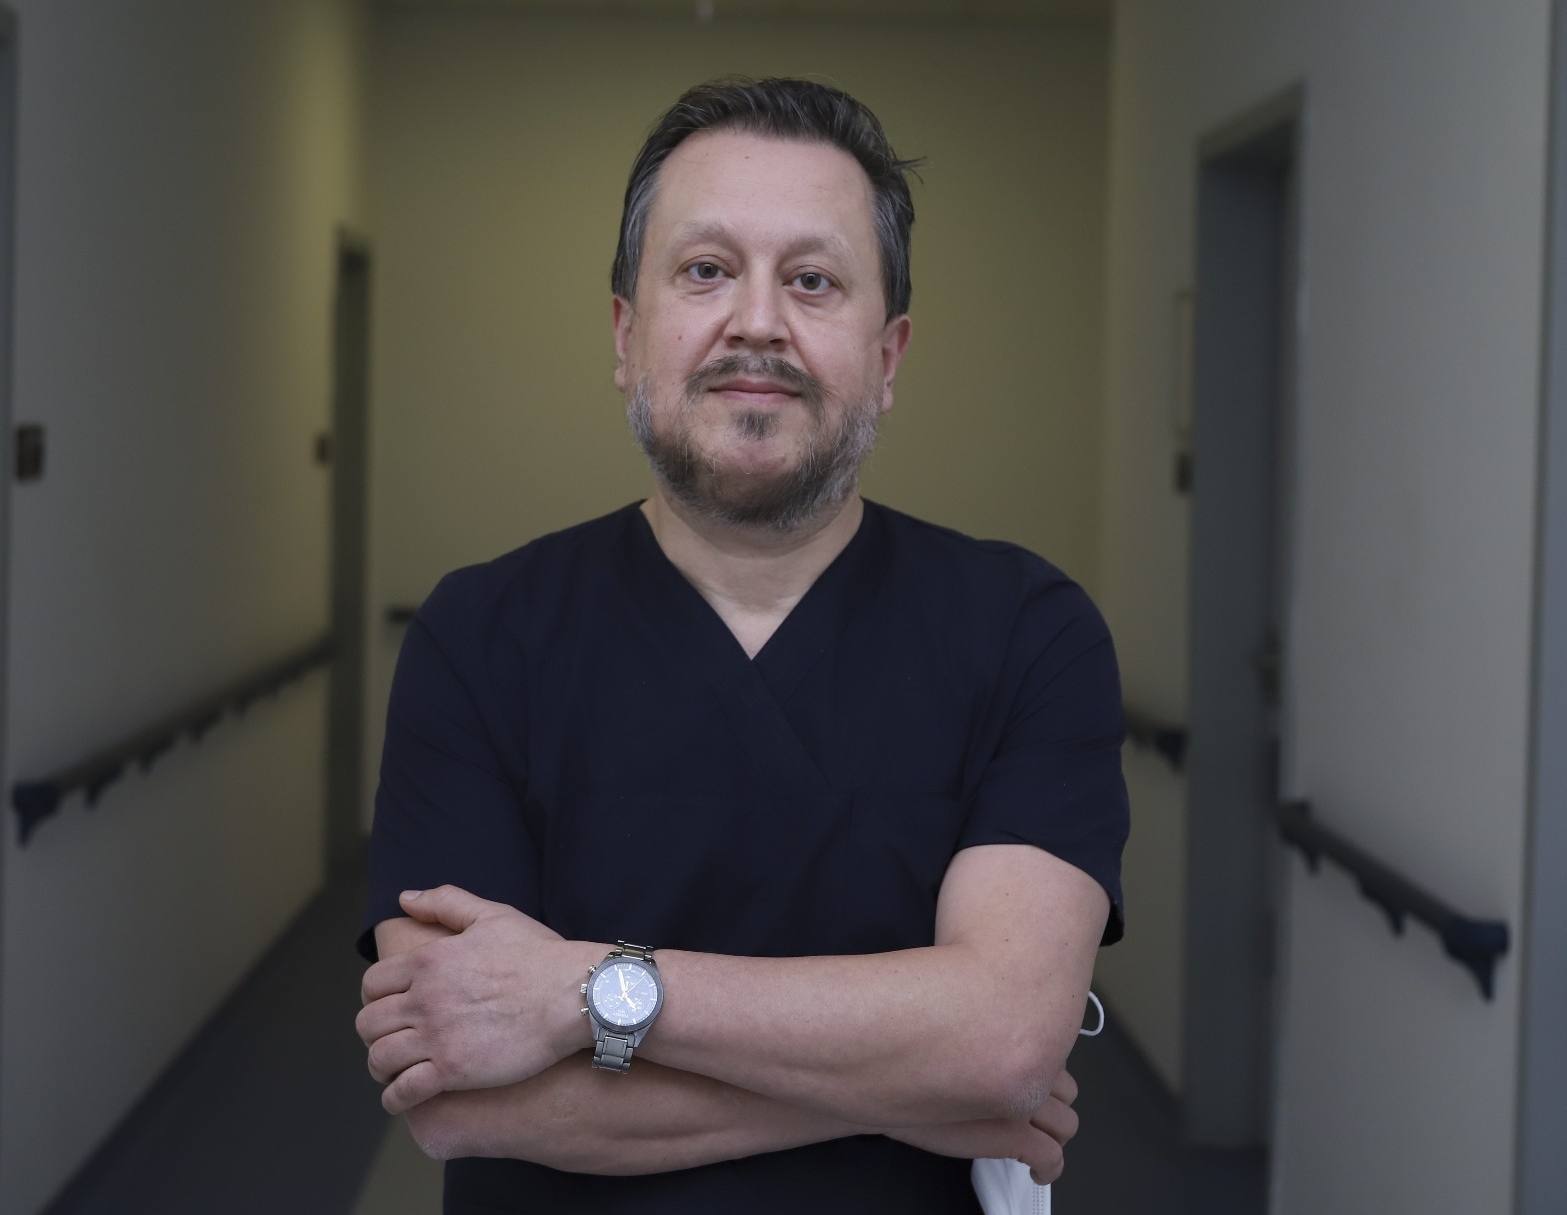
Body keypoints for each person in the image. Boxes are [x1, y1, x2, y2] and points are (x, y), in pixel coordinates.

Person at [355, 76, 1128, 1214]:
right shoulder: (480, 636)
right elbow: (458, 1098)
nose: (757, 321)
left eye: (812, 281)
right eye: (706, 270)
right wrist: (918, 1090)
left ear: (889, 356)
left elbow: (1005, 1039)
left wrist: (583, 990)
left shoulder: (1026, 632)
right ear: (627, 336)